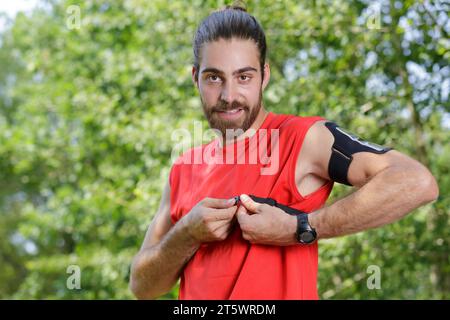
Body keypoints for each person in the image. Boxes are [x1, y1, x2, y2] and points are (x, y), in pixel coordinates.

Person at [129, 4, 439, 300]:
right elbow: (142, 287)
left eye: (243, 77)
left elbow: (415, 182)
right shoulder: (184, 169)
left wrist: (298, 228)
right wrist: (187, 233)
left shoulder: (302, 138)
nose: (229, 95)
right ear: (195, 77)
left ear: (264, 75)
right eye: (214, 78)